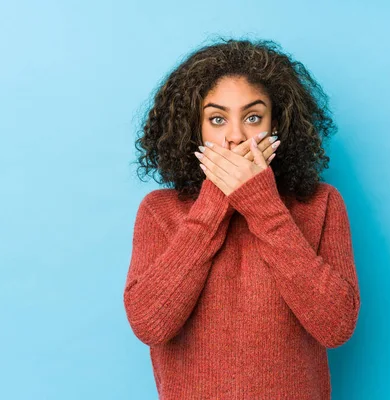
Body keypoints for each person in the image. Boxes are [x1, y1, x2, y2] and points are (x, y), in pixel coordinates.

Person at [123, 37, 361, 399]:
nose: (235, 137)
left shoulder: (321, 204)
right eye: (217, 119)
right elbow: (150, 325)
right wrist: (216, 199)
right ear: (195, 128)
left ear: (276, 124)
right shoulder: (159, 211)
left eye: (253, 117)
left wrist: (262, 204)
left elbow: (336, 326)